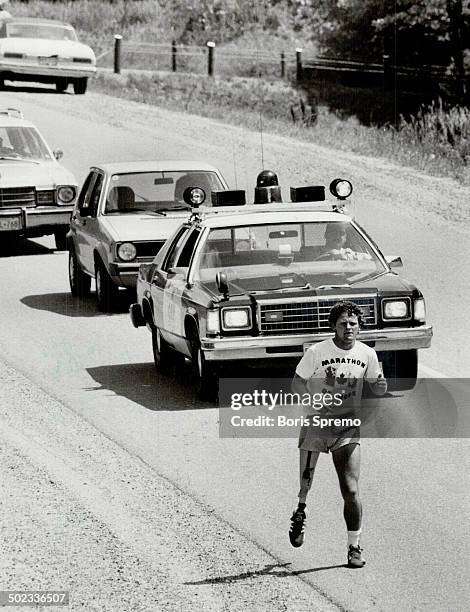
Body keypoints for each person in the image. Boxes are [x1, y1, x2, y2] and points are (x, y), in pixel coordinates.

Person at [289, 300, 387, 568]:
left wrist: (379, 390)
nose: (348, 328)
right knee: (306, 483)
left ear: (360, 327)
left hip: (347, 427)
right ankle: (300, 510)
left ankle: (354, 546)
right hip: (317, 424)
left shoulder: (367, 354)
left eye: (353, 323)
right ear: (333, 325)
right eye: (343, 323)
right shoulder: (317, 351)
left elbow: (375, 388)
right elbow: (297, 382)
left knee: (351, 489)